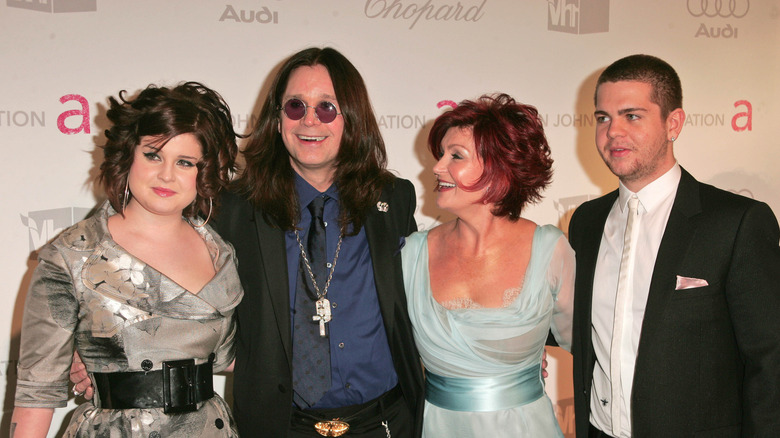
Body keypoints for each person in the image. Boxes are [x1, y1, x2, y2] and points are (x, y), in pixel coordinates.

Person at [12, 82, 243, 437]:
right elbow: (36, 393)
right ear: (128, 154)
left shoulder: (220, 252)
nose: (167, 174)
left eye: (184, 162)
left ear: (204, 171)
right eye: (153, 155)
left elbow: (233, 357)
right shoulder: (73, 255)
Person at [213, 47, 424, 437]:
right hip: (280, 427)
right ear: (277, 120)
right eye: (295, 106)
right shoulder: (234, 208)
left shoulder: (393, 198)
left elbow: (431, 288)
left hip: (386, 422)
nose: (309, 120)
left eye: (327, 107)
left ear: (353, 120)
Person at [569, 54, 780, 438]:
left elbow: (770, 360)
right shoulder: (585, 222)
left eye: (631, 116)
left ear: (673, 123)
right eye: (603, 118)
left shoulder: (736, 222)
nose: (613, 131)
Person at [401, 94, 575, 437]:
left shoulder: (550, 250)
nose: (436, 167)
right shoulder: (412, 254)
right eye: (441, 155)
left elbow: (586, 346)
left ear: (499, 168)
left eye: (455, 156)